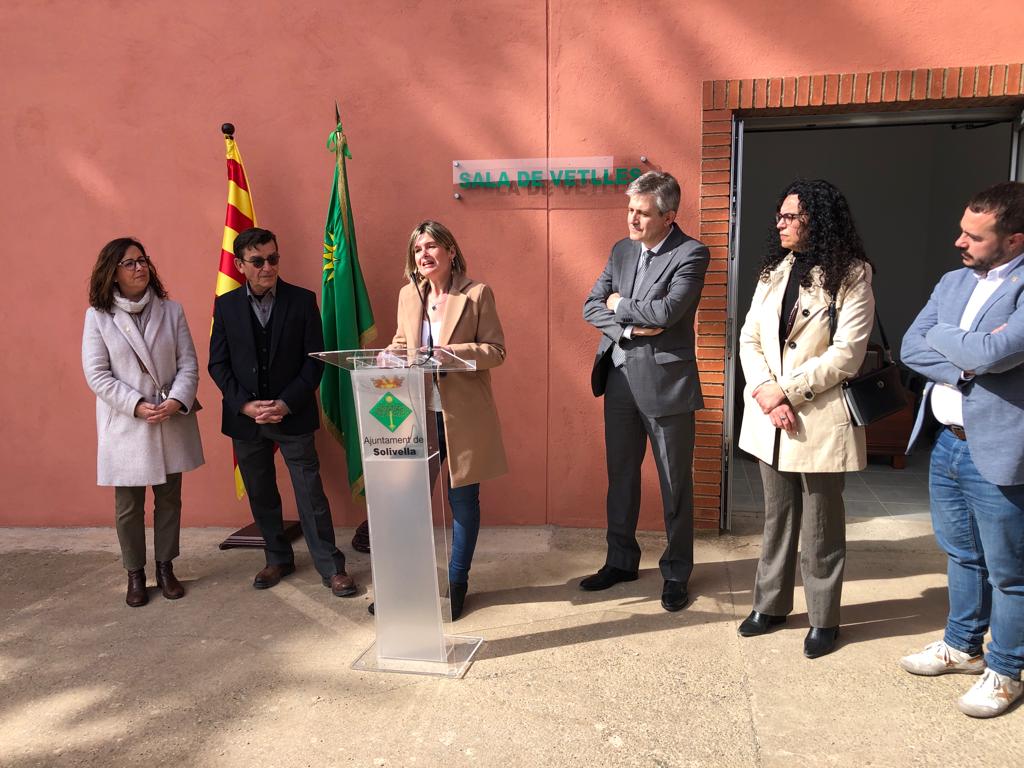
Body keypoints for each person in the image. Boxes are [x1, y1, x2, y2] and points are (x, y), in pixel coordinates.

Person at [899, 181, 1024, 718]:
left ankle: (1006, 670)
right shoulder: (953, 281)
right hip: (947, 445)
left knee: (1010, 571)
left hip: (999, 449)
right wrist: (967, 362)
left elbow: (998, 349)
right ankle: (962, 646)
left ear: (1014, 240)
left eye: (974, 236)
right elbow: (910, 345)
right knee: (960, 554)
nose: (959, 242)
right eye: (961, 230)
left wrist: (955, 343)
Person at [736, 179, 874, 659]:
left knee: (821, 526)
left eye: (791, 216)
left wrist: (787, 391)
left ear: (818, 220)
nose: (780, 223)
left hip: (816, 418)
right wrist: (765, 393)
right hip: (771, 418)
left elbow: (847, 355)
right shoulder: (774, 270)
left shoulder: (851, 274)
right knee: (776, 519)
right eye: (780, 214)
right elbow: (749, 337)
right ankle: (770, 605)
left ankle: (823, 618)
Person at [579, 170, 709, 612]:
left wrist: (621, 305)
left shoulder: (691, 253)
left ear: (668, 216)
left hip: (666, 385)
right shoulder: (620, 250)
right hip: (618, 378)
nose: (632, 219)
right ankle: (621, 560)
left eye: (641, 213)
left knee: (675, 484)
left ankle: (675, 572)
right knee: (621, 477)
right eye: (630, 209)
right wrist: (632, 320)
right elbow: (591, 304)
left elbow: (669, 311)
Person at [369, 220, 507, 620]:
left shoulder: (477, 294)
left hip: (463, 417)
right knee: (408, 502)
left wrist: (452, 353)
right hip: (414, 416)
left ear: (450, 250)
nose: (424, 255)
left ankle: (457, 582)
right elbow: (401, 342)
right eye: (417, 249)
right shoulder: (407, 296)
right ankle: (404, 585)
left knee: (463, 501)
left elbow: (496, 351)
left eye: (431, 246)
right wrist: (388, 355)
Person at [208, 227, 357, 598]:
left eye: (273, 258)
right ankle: (278, 557)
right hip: (246, 419)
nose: (267, 267)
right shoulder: (225, 306)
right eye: (258, 261)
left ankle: (331, 566)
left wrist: (285, 403)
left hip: (293, 414)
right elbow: (218, 364)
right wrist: (244, 404)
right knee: (261, 491)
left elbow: (314, 363)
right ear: (241, 265)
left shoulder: (302, 301)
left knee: (310, 492)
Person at [82, 237, 205, 607]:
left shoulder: (172, 310)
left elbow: (188, 363)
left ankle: (166, 567)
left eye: (143, 260)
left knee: (170, 499)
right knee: (129, 506)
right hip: (127, 423)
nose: (140, 268)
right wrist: (135, 405)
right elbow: (97, 374)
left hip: (169, 417)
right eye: (129, 263)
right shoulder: (98, 317)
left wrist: (176, 400)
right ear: (112, 273)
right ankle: (135, 573)